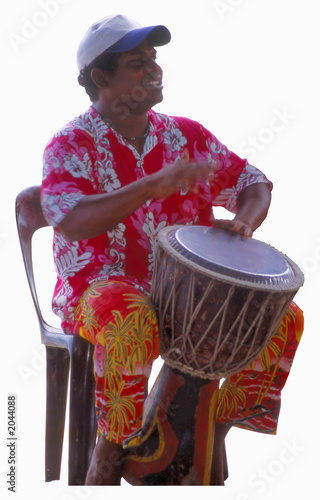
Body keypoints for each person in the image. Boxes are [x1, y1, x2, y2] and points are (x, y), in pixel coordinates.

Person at [41, 14, 303, 485]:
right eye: (137, 63)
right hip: (101, 289)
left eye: (155, 60)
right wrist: (149, 186)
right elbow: (72, 219)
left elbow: (253, 182)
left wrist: (245, 218)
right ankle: (111, 448)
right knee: (130, 317)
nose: (154, 70)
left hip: (182, 295)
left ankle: (214, 426)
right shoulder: (70, 144)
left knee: (282, 315)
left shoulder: (186, 135)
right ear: (101, 77)